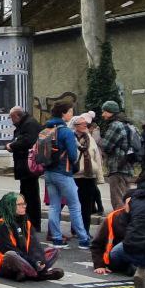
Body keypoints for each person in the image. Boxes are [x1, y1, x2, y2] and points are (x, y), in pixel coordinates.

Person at [41, 102, 92, 249]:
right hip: (63, 172)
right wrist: (73, 164)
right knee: (75, 206)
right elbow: (72, 154)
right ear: (63, 114)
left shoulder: (47, 129)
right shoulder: (66, 132)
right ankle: (83, 239)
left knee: (54, 206)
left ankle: (56, 238)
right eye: (70, 112)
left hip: (49, 172)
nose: (71, 114)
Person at [0, 192, 63, 281]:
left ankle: (27, 272)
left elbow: (34, 245)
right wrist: (33, 262)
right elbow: (8, 248)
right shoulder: (1, 224)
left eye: (24, 203)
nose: (24, 206)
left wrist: (38, 261)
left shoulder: (26, 222)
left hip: (26, 258)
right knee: (11, 255)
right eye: (20, 204)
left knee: (54, 250)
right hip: (4, 262)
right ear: (10, 206)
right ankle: (38, 274)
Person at [7, 106, 43, 229]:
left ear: (17, 116)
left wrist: (12, 145)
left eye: (11, 117)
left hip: (29, 166)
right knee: (26, 193)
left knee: (31, 194)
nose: (11, 120)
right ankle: (26, 221)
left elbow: (27, 141)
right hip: (25, 166)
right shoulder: (25, 124)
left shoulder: (29, 124)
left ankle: (33, 222)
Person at [71, 112, 106, 234]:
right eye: (82, 124)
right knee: (76, 205)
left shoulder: (90, 138)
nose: (85, 125)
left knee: (87, 206)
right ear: (75, 126)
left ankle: (85, 230)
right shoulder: (70, 138)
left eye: (85, 124)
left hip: (89, 175)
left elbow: (97, 157)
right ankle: (75, 229)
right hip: (74, 176)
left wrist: (100, 177)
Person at [99, 101, 138, 207]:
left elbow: (106, 145)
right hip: (128, 166)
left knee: (118, 199)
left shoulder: (115, 125)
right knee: (127, 197)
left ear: (111, 112)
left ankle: (119, 221)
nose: (103, 115)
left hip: (117, 167)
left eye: (105, 112)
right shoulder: (129, 124)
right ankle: (128, 219)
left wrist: (100, 142)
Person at [91, 200, 131, 275]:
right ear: (125, 205)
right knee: (127, 243)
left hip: (141, 253)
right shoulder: (114, 217)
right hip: (117, 256)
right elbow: (96, 244)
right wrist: (99, 265)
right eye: (130, 203)